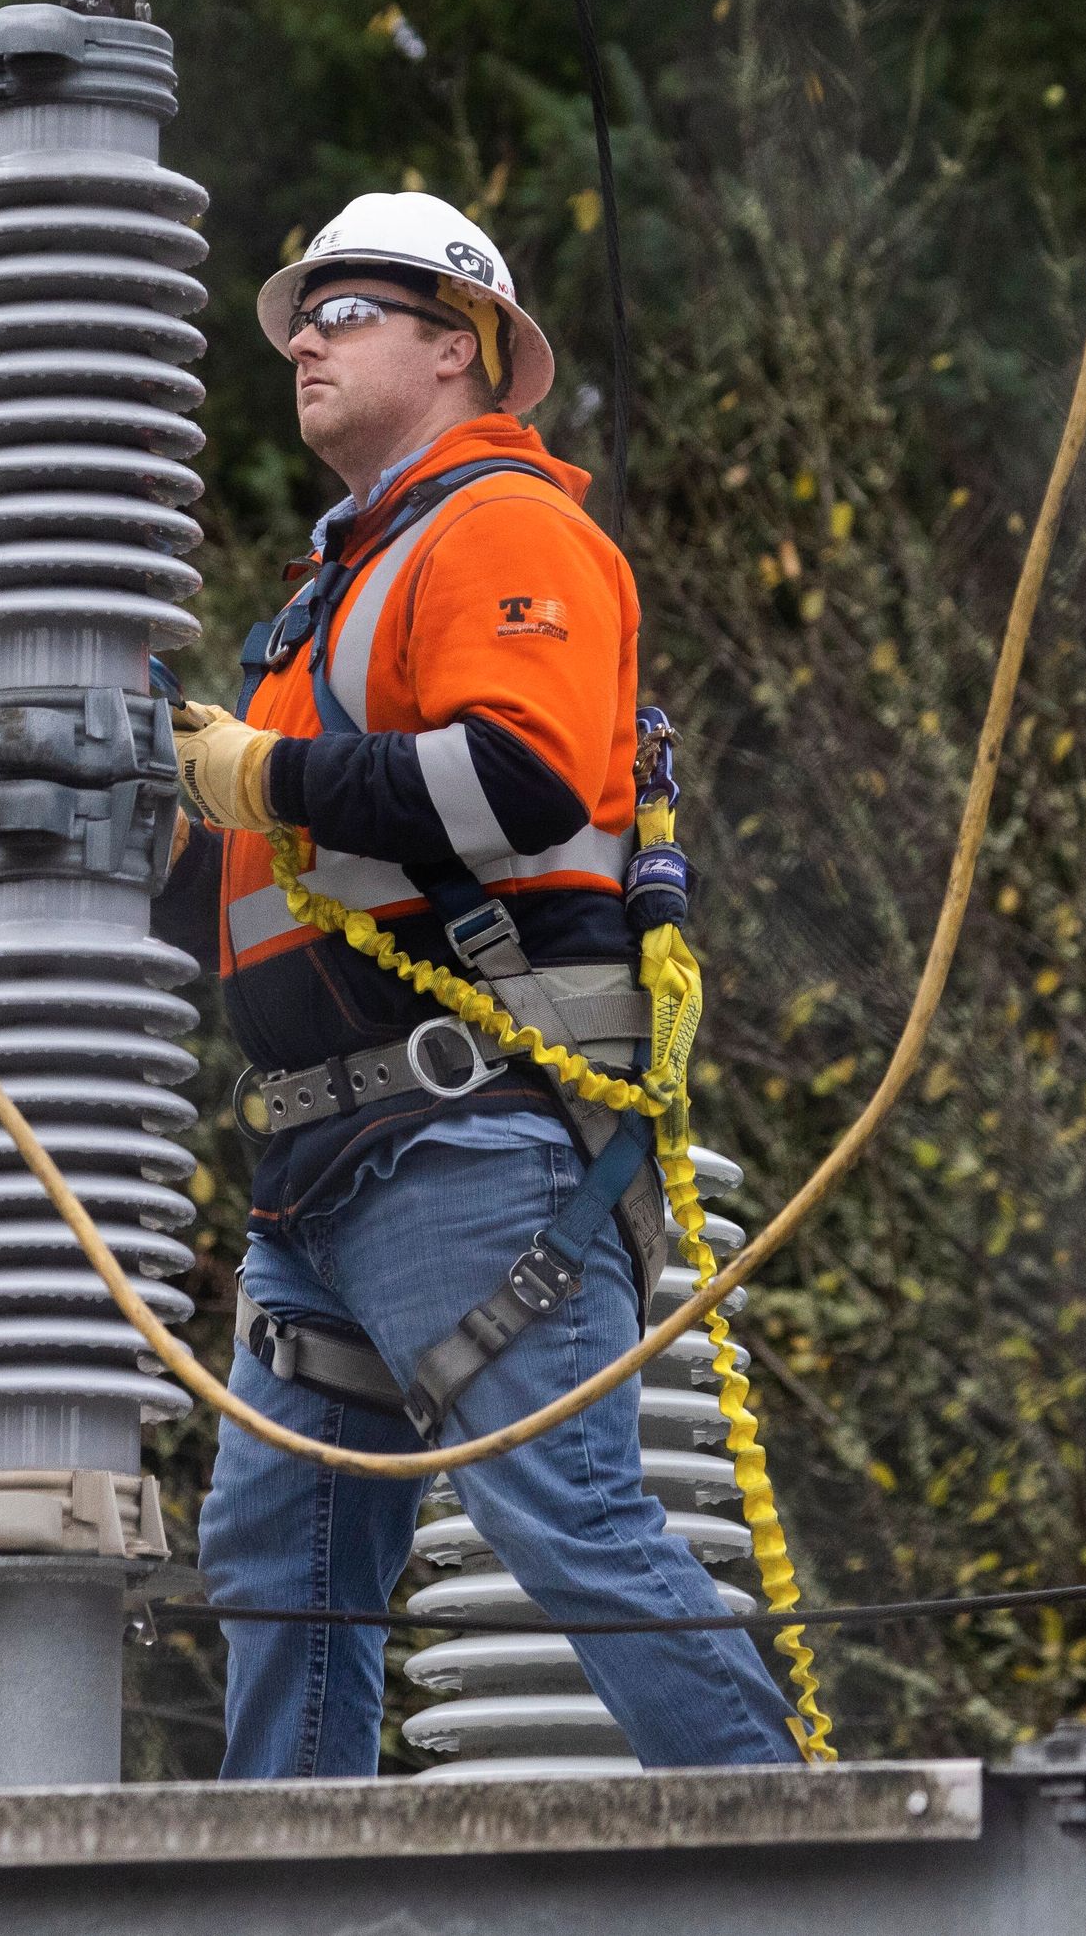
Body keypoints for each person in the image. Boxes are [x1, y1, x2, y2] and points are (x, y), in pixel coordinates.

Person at [165, 190, 803, 1779]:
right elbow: (271, 901)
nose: (303, 335)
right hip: (321, 1165)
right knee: (283, 1575)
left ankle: (812, 1862)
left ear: (460, 345)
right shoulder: (335, 593)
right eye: (302, 312)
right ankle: (288, 1908)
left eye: (345, 308)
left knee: (572, 1526)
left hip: (465, 1136)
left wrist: (264, 775)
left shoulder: (508, 530)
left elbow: (512, 781)